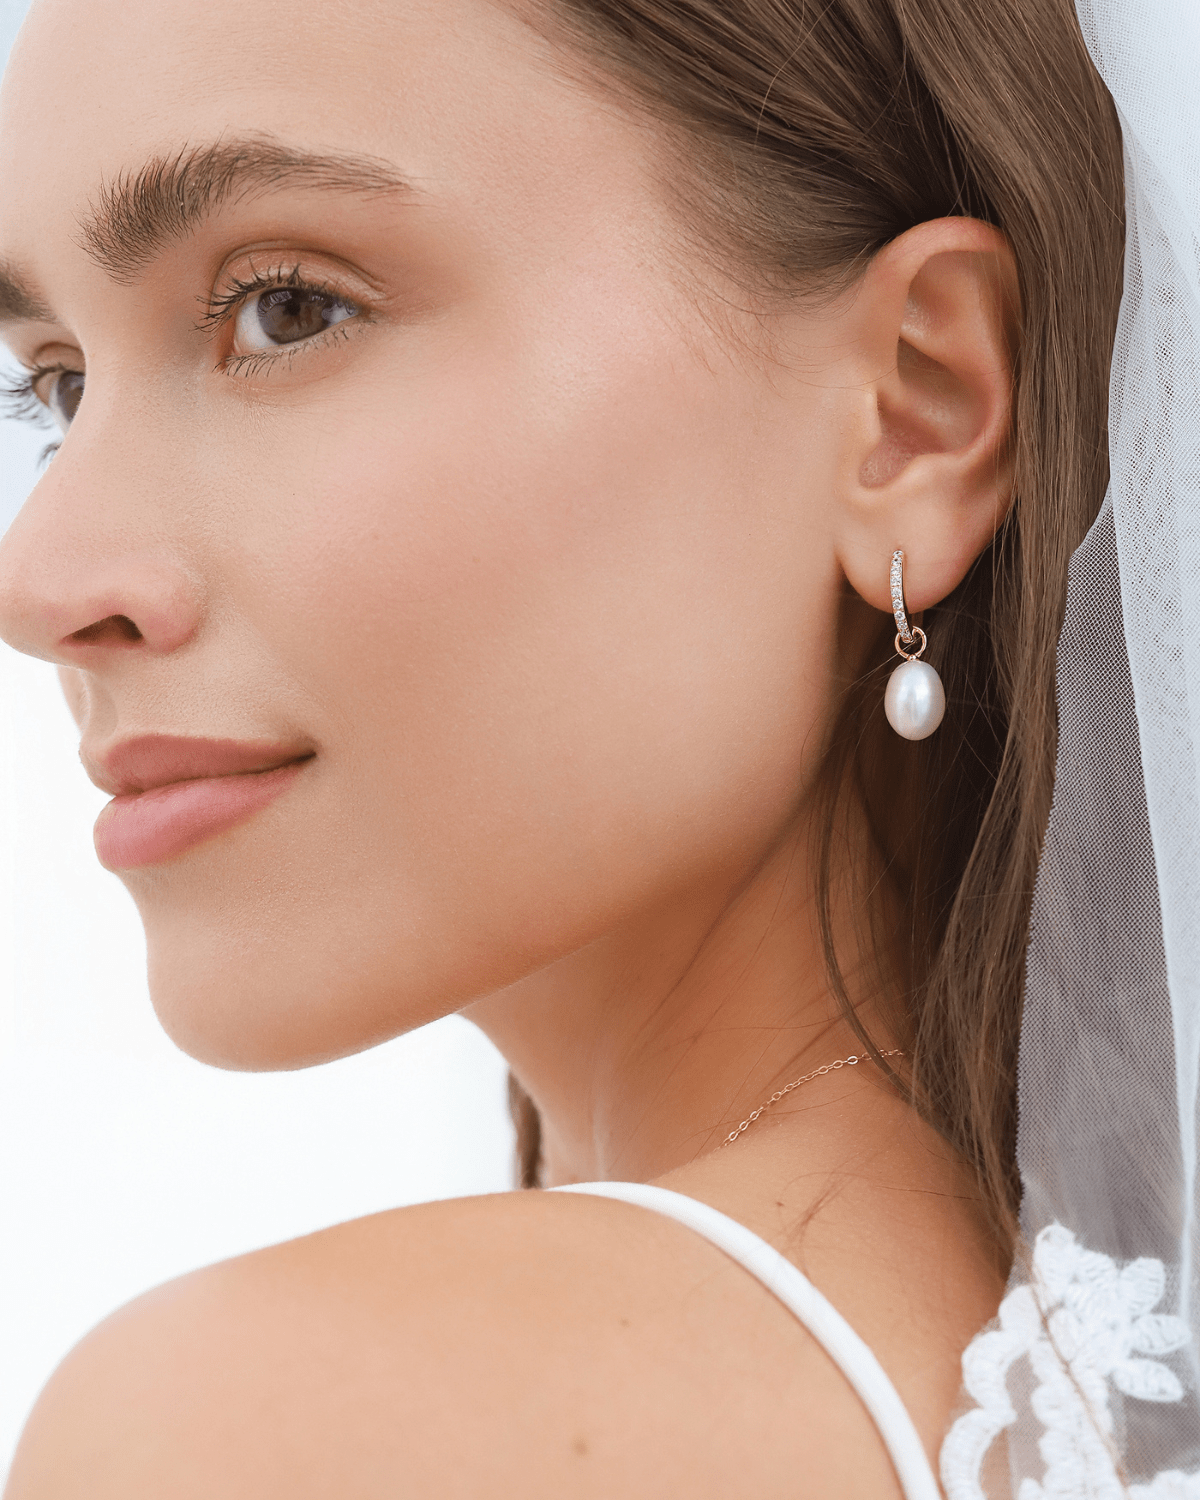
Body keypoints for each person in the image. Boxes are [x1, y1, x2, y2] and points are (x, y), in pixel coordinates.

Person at [1, 0, 1191, 1493]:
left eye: (285, 308)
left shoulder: (285, 1426)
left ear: (916, 406)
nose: (41, 583)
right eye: (54, 385)